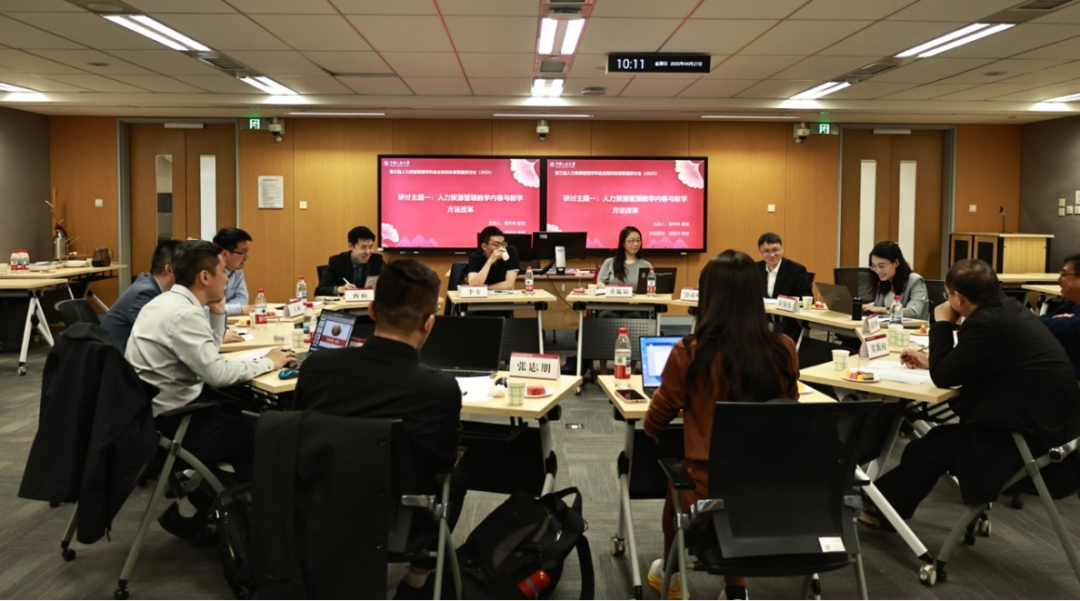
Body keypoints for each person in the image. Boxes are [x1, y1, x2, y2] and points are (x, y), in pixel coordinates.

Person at [862, 259, 1080, 534]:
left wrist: (942, 323)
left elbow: (944, 377)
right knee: (935, 440)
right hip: (1053, 430)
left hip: (1029, 443)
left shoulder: (985, 323)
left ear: (958, 298)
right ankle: (880, 506)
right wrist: (935, 361)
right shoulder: (1009, 310)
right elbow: (981, 361)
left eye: (947, 295)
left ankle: (882, 510)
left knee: (925, 450)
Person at [292, 259, 463, 600]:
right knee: (457, 474)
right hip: (398, 521)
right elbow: (441, 462)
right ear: (429, 323)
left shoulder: (316, 367)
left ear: (371, 311)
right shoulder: (439, 389)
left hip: (319, 508)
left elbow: (297, 433)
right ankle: (416, 579)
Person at [643, 250, 801, 601]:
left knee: (677, 481)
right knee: (726, 491)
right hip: (770, 486)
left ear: (708, 297)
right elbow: (788, 409)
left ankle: (672, 577)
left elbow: (655, 422)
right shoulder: (784, 348)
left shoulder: (690, 351)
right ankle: (735, 591)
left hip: (705, 490)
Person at [126, 240, 294, 542]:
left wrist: (217, 312)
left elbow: (207, 353)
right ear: (205, 277)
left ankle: (200, 507)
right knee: (267, 436)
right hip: (170, 424)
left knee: (246, 415)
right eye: (222, 271)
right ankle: (199, 514)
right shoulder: (184, 314)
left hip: (151, 415)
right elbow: (217, 374)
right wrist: (268, 361)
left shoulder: (166, 303)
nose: (227, 278)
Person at [100, 239, 182, 352]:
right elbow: (160, 336)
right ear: (169, 270)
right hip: (115, 358)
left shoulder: (150, 284)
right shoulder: (145, 293)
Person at [755, 232, 813, 341]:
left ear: (782, 249)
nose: (772, 255)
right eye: (766, 251)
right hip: (761, 320)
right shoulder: (755, 269)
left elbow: (806, 298)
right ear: (760, 253)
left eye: (775, 250)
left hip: (786, 321)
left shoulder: (796, 270)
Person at [863, 240, 929, 320]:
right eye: (874, 266)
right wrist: (865, 307)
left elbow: (914, 312)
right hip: (887, 325)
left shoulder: (915, 281)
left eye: (881, 266)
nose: (877, 271)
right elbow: (877, 305)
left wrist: (881, 309)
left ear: (896, 263)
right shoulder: (884, 281)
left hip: (911, 327)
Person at [597, 226, 652, 318]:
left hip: (635, 306)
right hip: (611, 304)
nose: (635, 244)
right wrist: (612, 292)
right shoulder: (609, 262)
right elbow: (599, 283)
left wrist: (639, 300)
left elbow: (651, 288)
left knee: (633, 317)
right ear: (623, 243)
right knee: (607, 315)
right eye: (631, 241)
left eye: (638, 240)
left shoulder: (646, 265)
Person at [315, 225, 386, 296]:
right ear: (351, 246)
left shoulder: (377, 260)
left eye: (370, 247)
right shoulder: (337, 262)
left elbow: (389, 286)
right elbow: (319, 290)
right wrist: (339, 289)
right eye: (363, 247)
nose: (368, 252)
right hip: (345, 303)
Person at [1040, 252, 1080, 378]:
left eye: (1064, 274)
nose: (1059, 280)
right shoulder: (1069, 306)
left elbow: (1072, 326)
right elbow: (1038, 323)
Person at [212, 227, 253, 316]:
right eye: (242, 252)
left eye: (247, 252)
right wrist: (237, 309)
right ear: (225, 254)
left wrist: (223, 308)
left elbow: (243, 298)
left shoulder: (237, 270)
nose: (246, 257)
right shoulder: (209, 272)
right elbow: (204, 309)